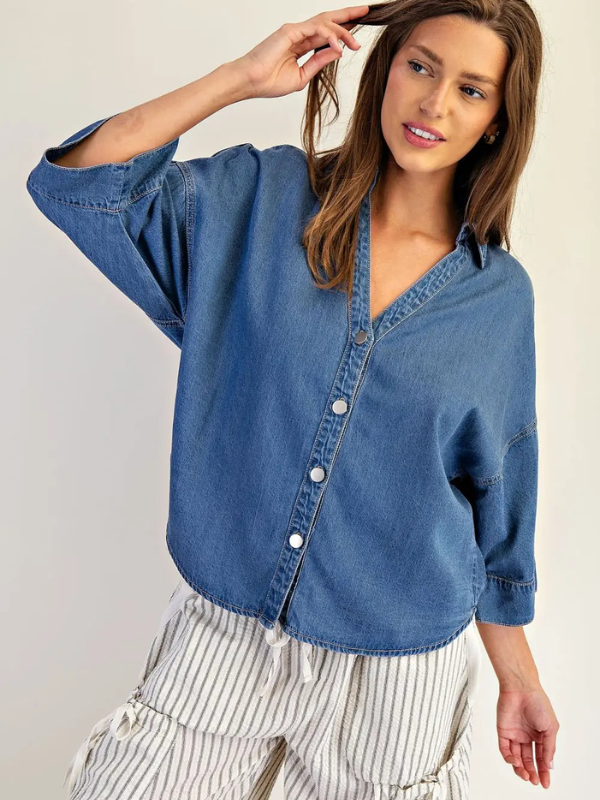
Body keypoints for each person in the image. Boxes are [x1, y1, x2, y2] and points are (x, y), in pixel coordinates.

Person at [26, 2, 560, 798]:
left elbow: (497, 496)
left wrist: (518, 678)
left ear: (496, 121)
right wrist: (240, 78)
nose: (435, 104)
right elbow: (81, 185)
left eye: (473, 90)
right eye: (420, 66)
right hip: (226, 628)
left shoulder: (497, 298)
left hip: (398, 664)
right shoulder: (263, 199)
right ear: (384, 68)